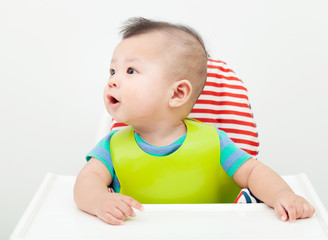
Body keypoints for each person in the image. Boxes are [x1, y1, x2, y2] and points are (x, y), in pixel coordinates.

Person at [74, 17, 315, 225]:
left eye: (131, 71)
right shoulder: (112, 147)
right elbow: (86, 182)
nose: (113, 81)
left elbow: (253, 173)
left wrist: (282, 195)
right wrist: (99, 201)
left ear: (177, 93)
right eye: (113, 71)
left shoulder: (214, 143)